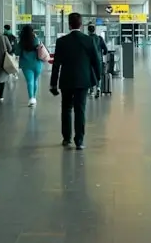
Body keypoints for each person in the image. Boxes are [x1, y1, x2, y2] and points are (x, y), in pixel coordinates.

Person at [50, 13, 101, 150]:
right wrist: (97, 79)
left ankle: (66, 138)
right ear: (81, 25)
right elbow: (97, 61)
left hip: (66, 80)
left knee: (66, 108)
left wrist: (53, 83)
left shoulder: (62, 42)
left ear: (69, 25)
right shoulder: (88, 40)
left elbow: (56, 64)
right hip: (83, 81)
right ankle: (79, 140)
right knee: (80, 109)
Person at [14, 24, 44, 107]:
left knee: (29, 81)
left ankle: (31, 98)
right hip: (37, 63)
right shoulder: (36, 40)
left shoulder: (21, 42)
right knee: (35, 80)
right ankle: (34, 97)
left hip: (26, 65)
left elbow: (17, 52)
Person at [87, 23, 108, 98]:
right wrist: (102, 54)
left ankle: (91, 90)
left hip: (89, 61)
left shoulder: (86, 38)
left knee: (90, 75)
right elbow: (105, 50)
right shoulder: (100, 38)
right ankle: (98, 89)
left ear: (88, 30)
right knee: (98, 75)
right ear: (95, 30)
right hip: (98, 60)